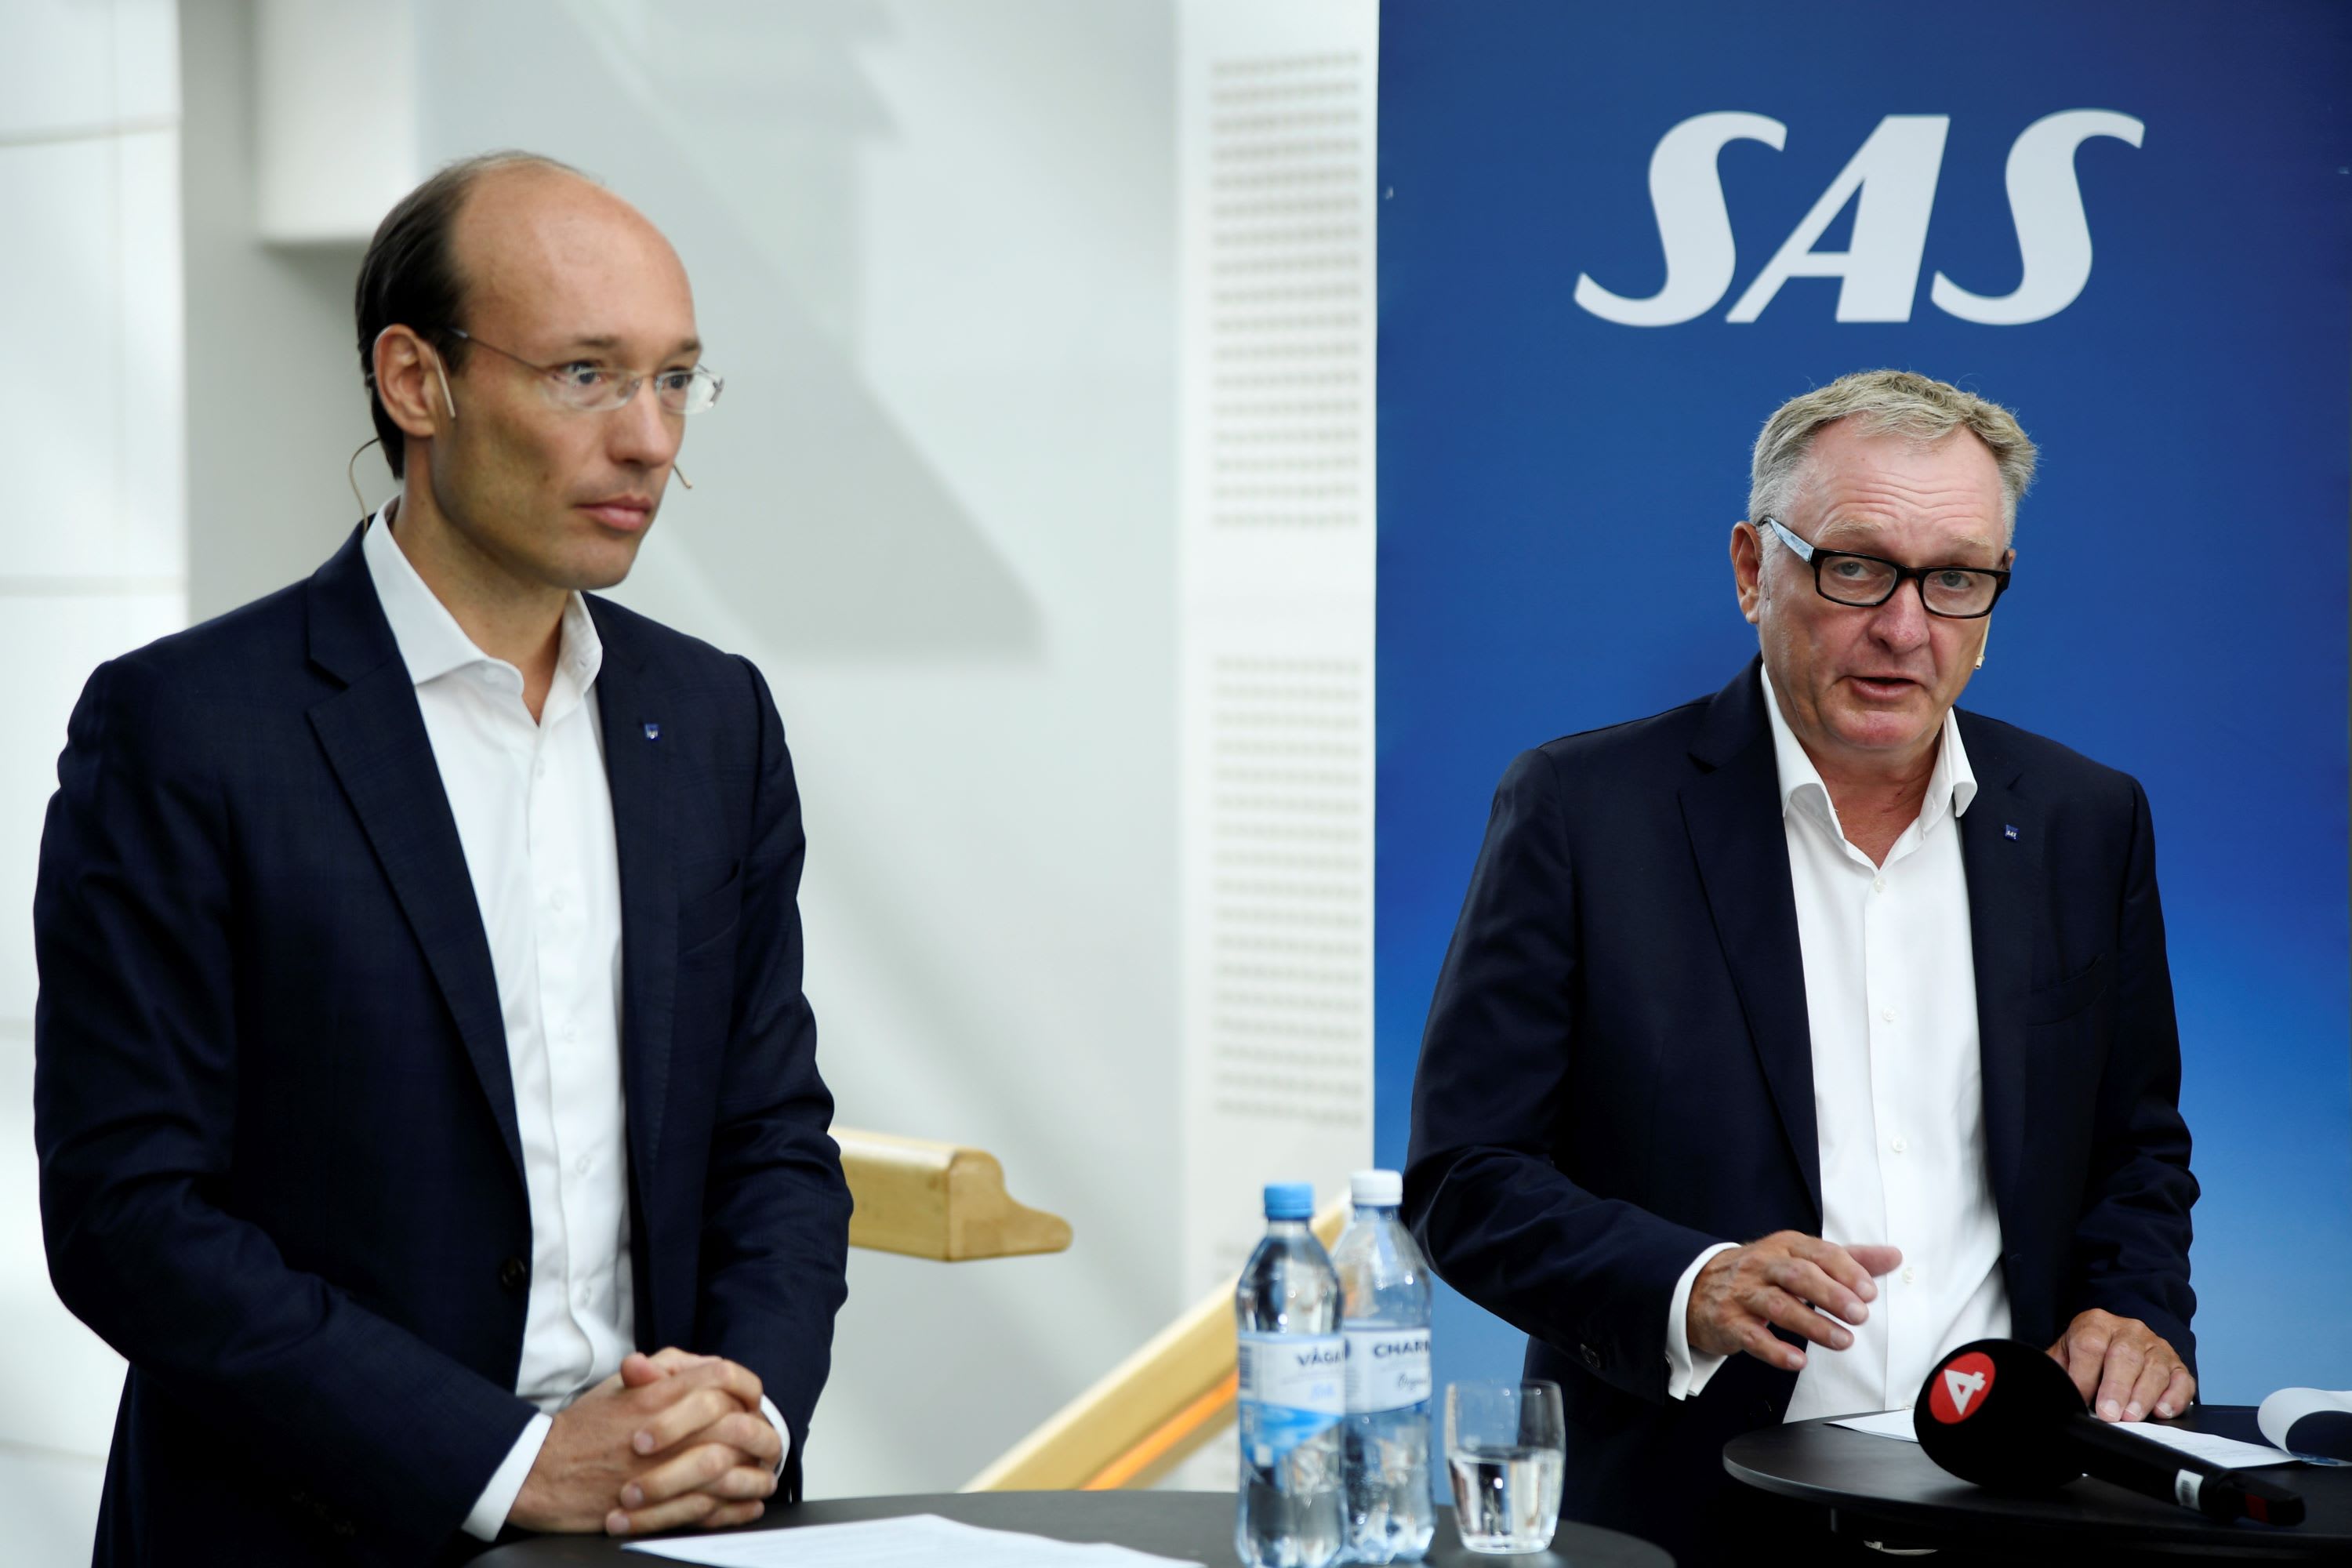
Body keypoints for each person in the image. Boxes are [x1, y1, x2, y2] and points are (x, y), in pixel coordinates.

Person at [34, 151, 851, 1564]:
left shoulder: (715, 720)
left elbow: (770, 1135)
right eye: (587, 374)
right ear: (418, 382)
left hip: (659, 1525)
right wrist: (506, 1464)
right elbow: (130, 1215)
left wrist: (748, 1416)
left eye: (674, 380)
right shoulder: (186, 728)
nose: (650, 439)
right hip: (302, 1532)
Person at [1404, 369, 2197, 1556]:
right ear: (1751, 569)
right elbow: (1467, 1176)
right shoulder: (1583, 812)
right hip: (1700, 1512)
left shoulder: (2087, 820)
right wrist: (1693, 1284)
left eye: (1956, 579)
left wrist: (2131, 1314)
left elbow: (2135, 1148)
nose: (1905, 627)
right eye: (1857, 567)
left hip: (2021, 1502)